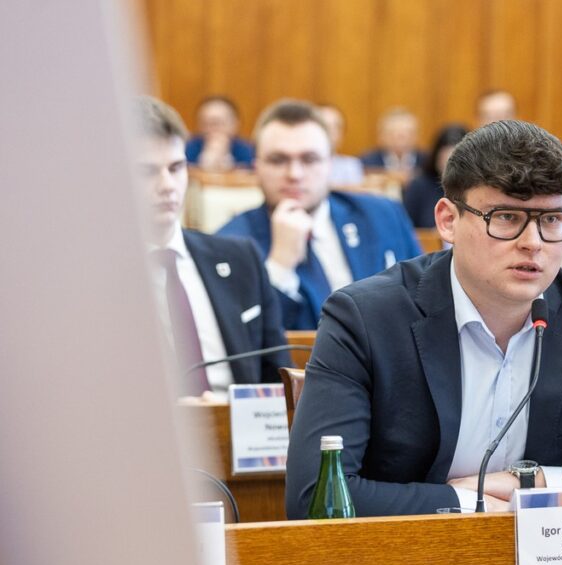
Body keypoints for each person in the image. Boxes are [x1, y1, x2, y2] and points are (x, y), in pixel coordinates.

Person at [285, 120, 562, 518]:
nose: (533, 243)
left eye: (552, 220)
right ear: (448, 220)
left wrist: (533, 485)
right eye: (507, 218)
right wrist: (466, 501)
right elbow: (317, 499)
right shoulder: (365, 318)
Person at [218, 99, 421, 330]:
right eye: (278, 160)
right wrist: (280, 266)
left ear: (330, 165)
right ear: (256, 168)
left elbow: (425, 300)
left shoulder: (383, 214)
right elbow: (245, 340)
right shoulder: (230, 244)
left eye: (309, 159)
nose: (294, 173)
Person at [134, 96, 290, 397]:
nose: (167, 185)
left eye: (176, 167)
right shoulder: (91, 279)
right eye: (147, 172)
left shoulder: (240, 258)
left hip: (245, 436)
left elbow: (277, 379)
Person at [402, 124, 468, 227]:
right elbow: (405, 227)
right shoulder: (419, 186)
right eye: (445, 159)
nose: (450, 168)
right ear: (436, 157)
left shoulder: (476, 187)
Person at [184, 95, 255, 171]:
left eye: (217, 123)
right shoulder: (188, 147)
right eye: (206, 123)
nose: (212, 129)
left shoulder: (247, 149)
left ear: (235, 124)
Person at [359, 107, 423, 178]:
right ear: (381, 136)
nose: (400, 140)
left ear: (417, 135)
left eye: (407, 133)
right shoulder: (365, 162)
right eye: (393, 133)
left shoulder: (428, 162)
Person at [316, 104, 364, 187]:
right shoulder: (296, 165)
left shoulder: (350, 165)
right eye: (323, 126)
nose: (330, 132)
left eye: (336, 127)